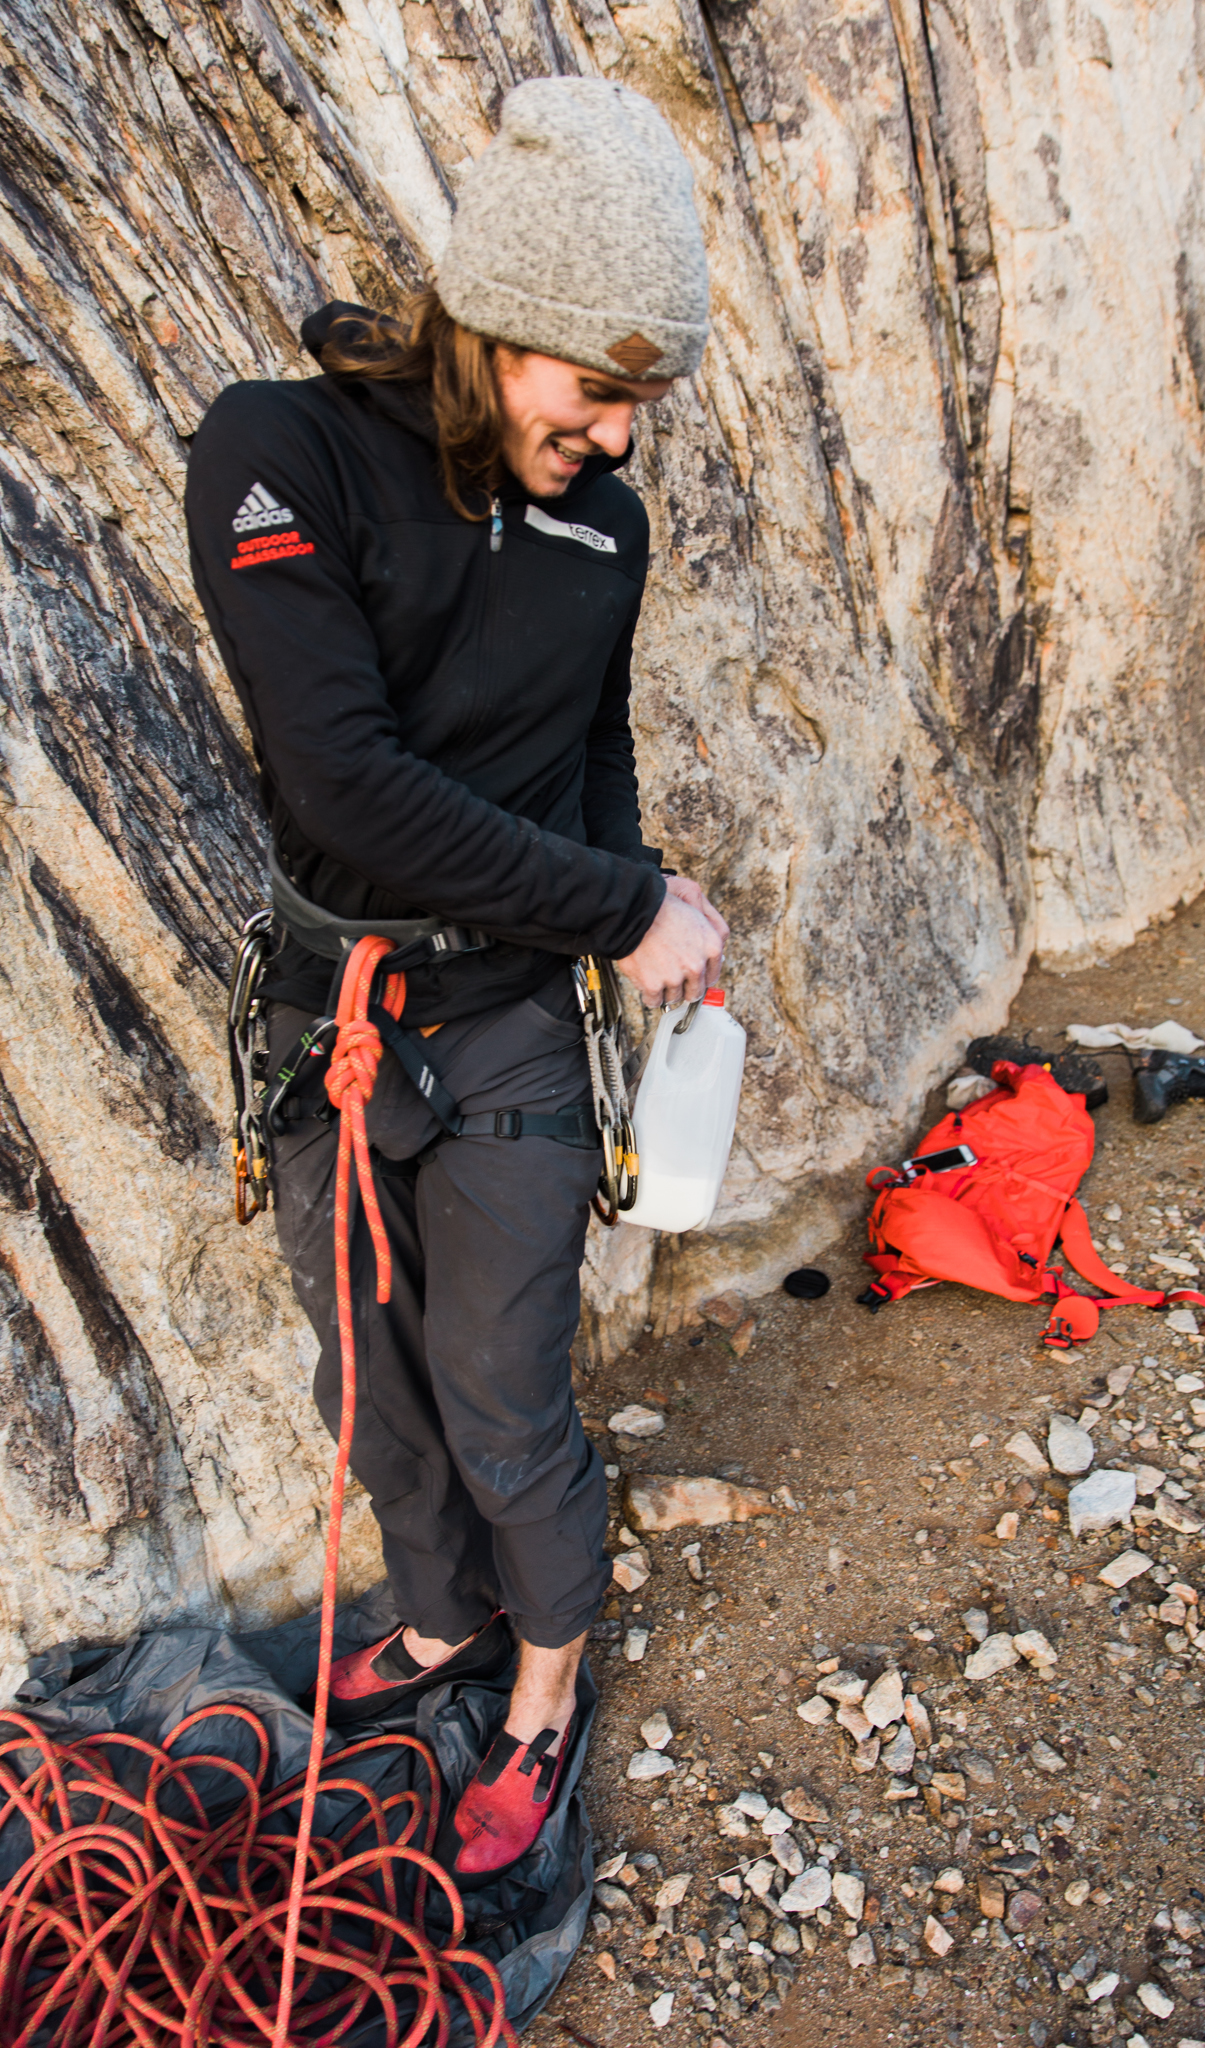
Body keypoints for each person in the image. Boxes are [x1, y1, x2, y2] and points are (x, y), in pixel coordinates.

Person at [184, 75, 727, 1878]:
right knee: (374, 1378)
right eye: (599, 395)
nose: (623, 442)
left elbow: (589, 758)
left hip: (503, 1023)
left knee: (503, 1386)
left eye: (641, 405)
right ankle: (438, 1625)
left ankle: (543, 1693)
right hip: (328, 1019)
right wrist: (624, 906)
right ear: (499, 332)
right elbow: (344, 784)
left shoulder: (604, 530)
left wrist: (631, 899)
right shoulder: (278, 453)